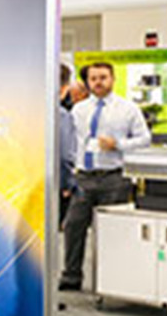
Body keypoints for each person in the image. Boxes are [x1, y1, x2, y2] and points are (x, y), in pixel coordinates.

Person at [61, 61, 151, 291]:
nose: (98, 82)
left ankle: (111, 281)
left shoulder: (128, 109)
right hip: (83, 177)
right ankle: (72, 276)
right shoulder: (78, 110)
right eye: (93, 79)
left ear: (112, 79)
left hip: (114, 178)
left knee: (112, 231)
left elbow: (145, 139)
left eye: (103, 77)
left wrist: (118, 144)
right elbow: (71, 142)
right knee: (73, 226)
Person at [59, 65, 78, 226]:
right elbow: (64, 155)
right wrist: (68, 184)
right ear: (64, 89)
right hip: (49, 185)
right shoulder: (61, 116)